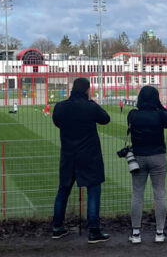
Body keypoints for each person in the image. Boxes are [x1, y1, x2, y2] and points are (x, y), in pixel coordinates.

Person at [51, 78, 111, 243]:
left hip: (68, 155)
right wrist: (93, 103)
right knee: (93, 190)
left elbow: (56, 121)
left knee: (63, 190)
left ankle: (57, 227)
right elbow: (106, 118)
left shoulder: (61, 107)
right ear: (87, 90)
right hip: (89, 156)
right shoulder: (90, 107)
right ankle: (93, 230)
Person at [127, 86, 167, 244]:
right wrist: (161, 107)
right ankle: (159, 232)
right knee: (160, 193)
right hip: (157, 156)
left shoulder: (133, 114)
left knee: (137, 194)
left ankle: (136, 233)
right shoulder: (159, 114)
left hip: (138, 157)